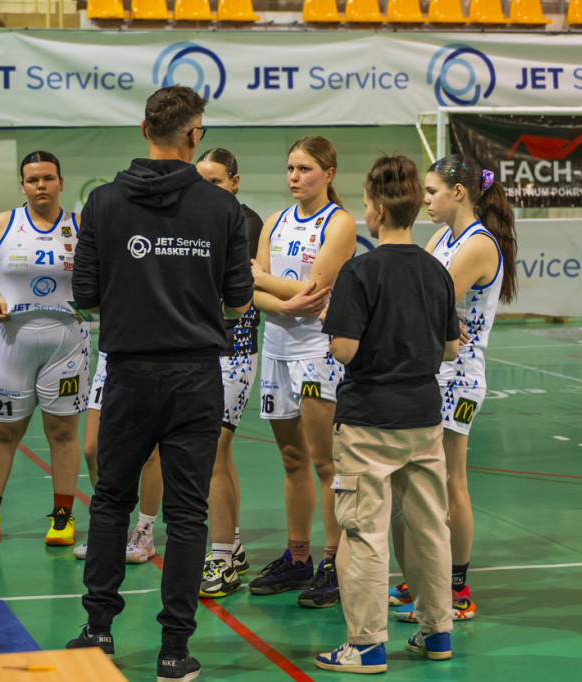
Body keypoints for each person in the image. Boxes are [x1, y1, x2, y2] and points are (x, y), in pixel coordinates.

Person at [66, 85, 253, 682]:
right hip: (197, 375)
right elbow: (240, 298)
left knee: (112, 503)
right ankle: (175, 650)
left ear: (143, 128)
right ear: (194, 135)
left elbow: (86, 295)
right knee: (188, 513)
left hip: (126, 372)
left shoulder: (101, 204)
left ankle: (98, 630)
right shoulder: (223, 209)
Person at [314, 154, 459, 674]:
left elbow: (345, 350)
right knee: (429, 529)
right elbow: (450, 350)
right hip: (423, 419)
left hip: (369, 422)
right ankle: (436, 632)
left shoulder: (361, 270)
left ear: (374, 210)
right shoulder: (436, 270)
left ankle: (367, 644)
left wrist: (334, 327)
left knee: (365, 533)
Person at [390, 154, 517, 624]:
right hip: (430, 369)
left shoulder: (479, 244)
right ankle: (425, 576)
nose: (424, 199)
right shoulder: (444, 235)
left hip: (459, 377)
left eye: (432, 191)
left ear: (458, 193)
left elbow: (429, 298)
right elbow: (411, 284)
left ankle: (457, 589)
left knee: (450, 481)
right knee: (419, 481)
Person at [248, 135, 356, 609]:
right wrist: (285, 297)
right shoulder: (274, 221)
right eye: (290, 168)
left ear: (328, 174)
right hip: (275, 348)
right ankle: (298, 558)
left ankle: (335, 561)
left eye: (305, 169)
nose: (295, 177)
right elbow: (252, 292)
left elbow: (318, 289)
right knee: (292, 460)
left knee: (325, 463)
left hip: (317, 351)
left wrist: (265, 282)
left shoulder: (341, 224)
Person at [0, 151, 89, 546]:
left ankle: (62, 518)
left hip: (66, 342)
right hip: (12, 338)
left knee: (62, 432)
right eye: (33, 179)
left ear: (60, 182)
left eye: (48, 178)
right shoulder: (2, 223)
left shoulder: (80, 227)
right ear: (22, 184)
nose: (41, 185)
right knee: (4, 431)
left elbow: (101, 276)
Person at [195, 147, 264, 599]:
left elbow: (242, 289)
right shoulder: (193, 217)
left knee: (213, 452)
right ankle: (232, 544)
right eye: (201, 181)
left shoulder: (247, 222)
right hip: (202, 345)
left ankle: (220, 560)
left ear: (235, 182)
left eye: (216, 182)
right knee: (219, 453)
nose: (208, 190)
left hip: (234, 346)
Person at [74, 356, 162, 564]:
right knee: (92, 448)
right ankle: (113, 528)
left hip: (152, 357)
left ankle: (145, 532)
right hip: (112, 356)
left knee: (151, 449)